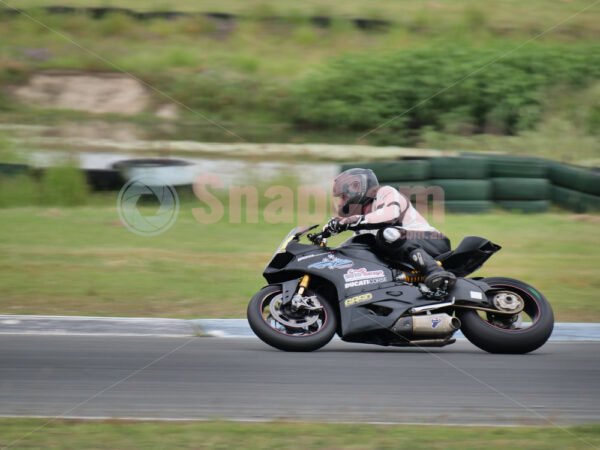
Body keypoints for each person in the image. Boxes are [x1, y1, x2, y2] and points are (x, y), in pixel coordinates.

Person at [326, 167, 456, 294]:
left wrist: (351, 221)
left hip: (433, 241)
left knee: (387, 234)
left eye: (343, 197)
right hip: (404, 254)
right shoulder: (361, 224)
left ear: (358, 191)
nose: (340, 203)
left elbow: (389, 216)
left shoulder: (386, 193)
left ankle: (435, 271)